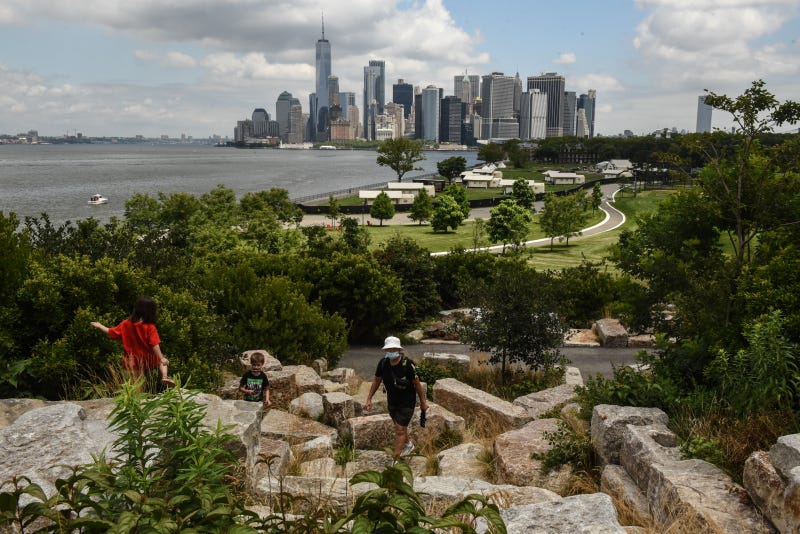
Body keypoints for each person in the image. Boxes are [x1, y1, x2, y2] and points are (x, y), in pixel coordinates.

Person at [364, 336, 428, 459]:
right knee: (400, 428)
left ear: (398, 349)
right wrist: (369, 399)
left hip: (407, 402)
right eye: (389, 349)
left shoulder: (407, 364)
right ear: (385, 350)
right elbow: (376, 381)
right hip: (392, 402)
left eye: (394, 349)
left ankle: (395, 460)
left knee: (399, 430)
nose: (391, 351)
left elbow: (417, 384)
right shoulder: (383, 363)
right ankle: (409, 445)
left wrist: (423, 402)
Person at [91, 295, 175, 387]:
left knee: (137, 383)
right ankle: (165, 376)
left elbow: (112, 332)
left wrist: (100, 326)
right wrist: (161, 357)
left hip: (132, 359)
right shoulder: (150, 327)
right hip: (147, 356)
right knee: (162, 361)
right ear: (152, 311)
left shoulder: (126, 324)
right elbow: (155, 344)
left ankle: (138, 398)